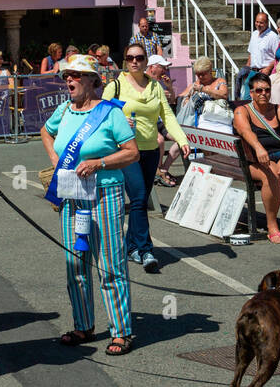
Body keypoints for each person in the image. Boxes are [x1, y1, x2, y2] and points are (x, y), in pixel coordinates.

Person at [41, 55, 139, 354]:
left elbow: (132, 153)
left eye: (76, 75)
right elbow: (46, 131)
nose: (69, 80)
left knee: (110, 264)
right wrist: (54, 159)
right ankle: (83, 326)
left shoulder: (110, 113)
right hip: (72, 195)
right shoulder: (64, 110)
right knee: (76, 264)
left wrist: (101, 162)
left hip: (105, 193)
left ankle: (121, 331)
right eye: (66, 75)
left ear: (93, 82)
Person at [103, 44, 190, 272]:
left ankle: (131, 247)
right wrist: (121, 123)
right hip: (125, 151)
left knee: (139, 200)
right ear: (125, 60)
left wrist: (182, 140)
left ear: (145, 62)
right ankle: (145, 250)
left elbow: (167, 115)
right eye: (130, 57)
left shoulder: (155, 86)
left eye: (139, 57)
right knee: (140, 198)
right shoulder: (116, 86)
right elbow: (101, 118)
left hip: (151, 151)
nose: (134, 61)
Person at [233, 73, 280, 242]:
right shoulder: (242, 111)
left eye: (267, 90)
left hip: (279, 153)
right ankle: (272, 226)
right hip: (254, 158)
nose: (263, 94)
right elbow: (245, 132)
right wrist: (259, 147)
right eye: (259, 90)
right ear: (251, 93)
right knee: (272, 175)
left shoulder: (279, 110)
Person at [147, 54, 180, 186]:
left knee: (181, 139)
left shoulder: (160, 82)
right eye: (162, 67)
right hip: (147, 120)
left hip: (160, 120)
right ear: (152, 67)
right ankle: (158, 172)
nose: (165, 71)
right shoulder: (143, 81)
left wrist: (169, 88)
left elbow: (172, 101)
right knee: (159, 140)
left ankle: (163, 169)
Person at [242, 11, 280, 101]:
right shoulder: (254, 34)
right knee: (246, 99)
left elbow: (277, 57)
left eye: (261, 23)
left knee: (262, 99)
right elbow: (251, 53)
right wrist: (247, 69)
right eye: (257, 22)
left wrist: (268, 68)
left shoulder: (273, 37)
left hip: (264, 72)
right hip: (252, 72)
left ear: (267, 23)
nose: (258, 24)